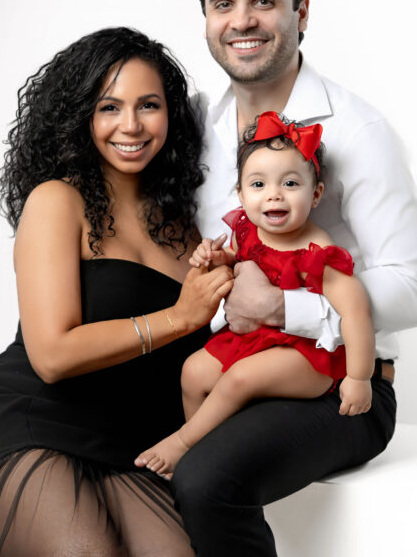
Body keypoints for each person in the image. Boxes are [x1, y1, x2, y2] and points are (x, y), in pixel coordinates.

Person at [166, 0, 417, 556]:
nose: (242, 21)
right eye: (223, 4)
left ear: (302, 13)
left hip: (338, 384)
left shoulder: (359, 132)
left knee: (206, 483)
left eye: (263, 1)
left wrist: (284, 308)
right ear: (206, 19)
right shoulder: (199, 127)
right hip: (229, 361)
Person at [0, 27, 233, 557]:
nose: (130, 125)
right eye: (109, 107)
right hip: (30, 426)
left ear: (171, 116)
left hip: (130, 448)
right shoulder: (57, 201)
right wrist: (180, 317)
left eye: (148, 105)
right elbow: (52, 355)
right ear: (81, 115)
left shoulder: (189, 227)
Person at [136, 112, 374, 477]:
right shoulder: (248, 231)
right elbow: (237, 259)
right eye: (259, 184)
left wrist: (359, 378)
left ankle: (184, 443)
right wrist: (217, 258)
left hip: (307, 357)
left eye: (290, 183)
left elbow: (357, 312)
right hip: (256, 341)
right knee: (193, 372)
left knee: (239, 378)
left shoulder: (317, 251)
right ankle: (206, 456)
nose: (274, 194)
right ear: (241, 194)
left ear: (316, 194)